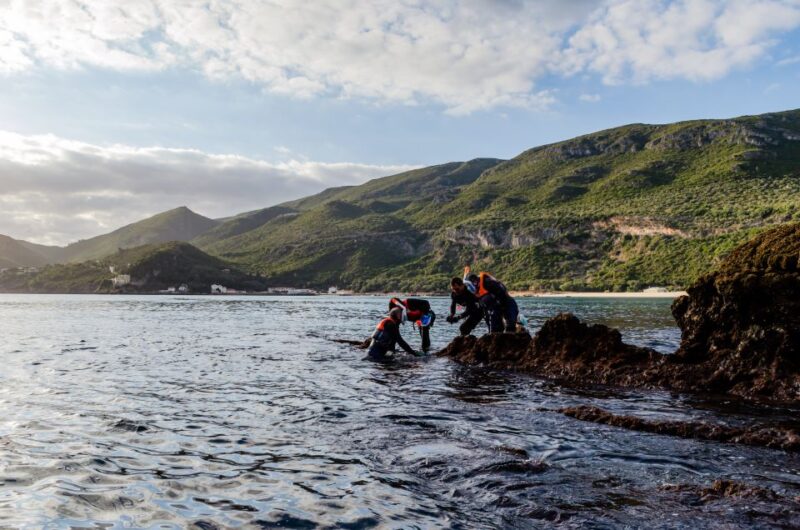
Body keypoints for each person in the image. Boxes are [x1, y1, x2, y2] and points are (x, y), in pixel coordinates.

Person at [464, 267, 519, 333]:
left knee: (510, 327)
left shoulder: (487, 282)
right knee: (495, 331)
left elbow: (502, 291)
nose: (470, 288)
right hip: (495, 308)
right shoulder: (477, 292)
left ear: (475, 282)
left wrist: (496, 302)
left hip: (507, 304)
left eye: (470, 286)